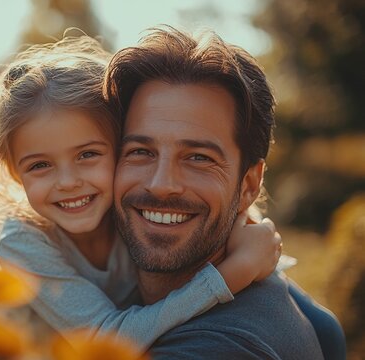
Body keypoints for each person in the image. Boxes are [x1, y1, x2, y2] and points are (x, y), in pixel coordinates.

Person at [0, 35, 282, 353]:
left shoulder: (124, 208)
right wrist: (233, 274)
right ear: (13, 172)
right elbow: (108, 343)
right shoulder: (22, 245)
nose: (67, 182)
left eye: (87, 155)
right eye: (39, 165)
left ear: (118, 148)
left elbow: (238, 218)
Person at [105, 26, 339, 359]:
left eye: (199, 158)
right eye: (140, 151)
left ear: (249, 185)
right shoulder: (285, 302)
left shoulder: (218, 347)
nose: (160, 184)